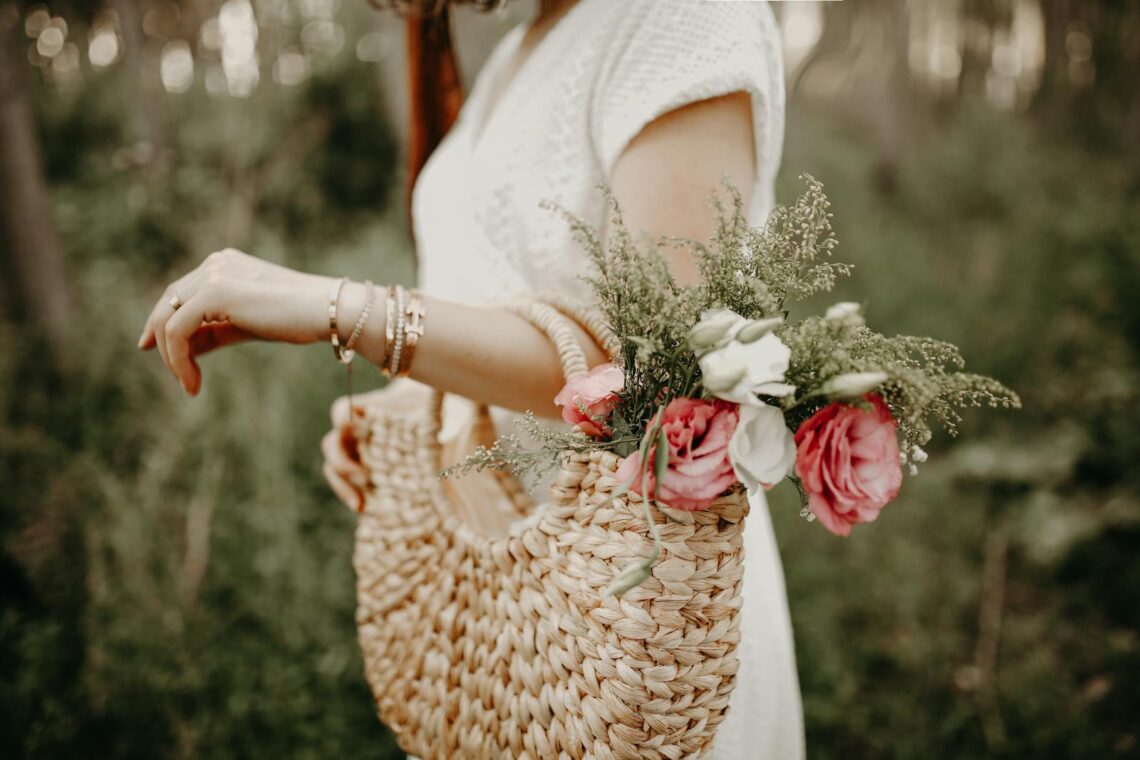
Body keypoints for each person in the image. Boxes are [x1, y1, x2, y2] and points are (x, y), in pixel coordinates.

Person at [137, 0, 804, 756]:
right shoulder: (523, 47)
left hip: (636, 622)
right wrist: (406, 404)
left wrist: (345, 309)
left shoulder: (682, 16)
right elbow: (499, 300)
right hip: (502, 628)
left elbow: (659, 375)